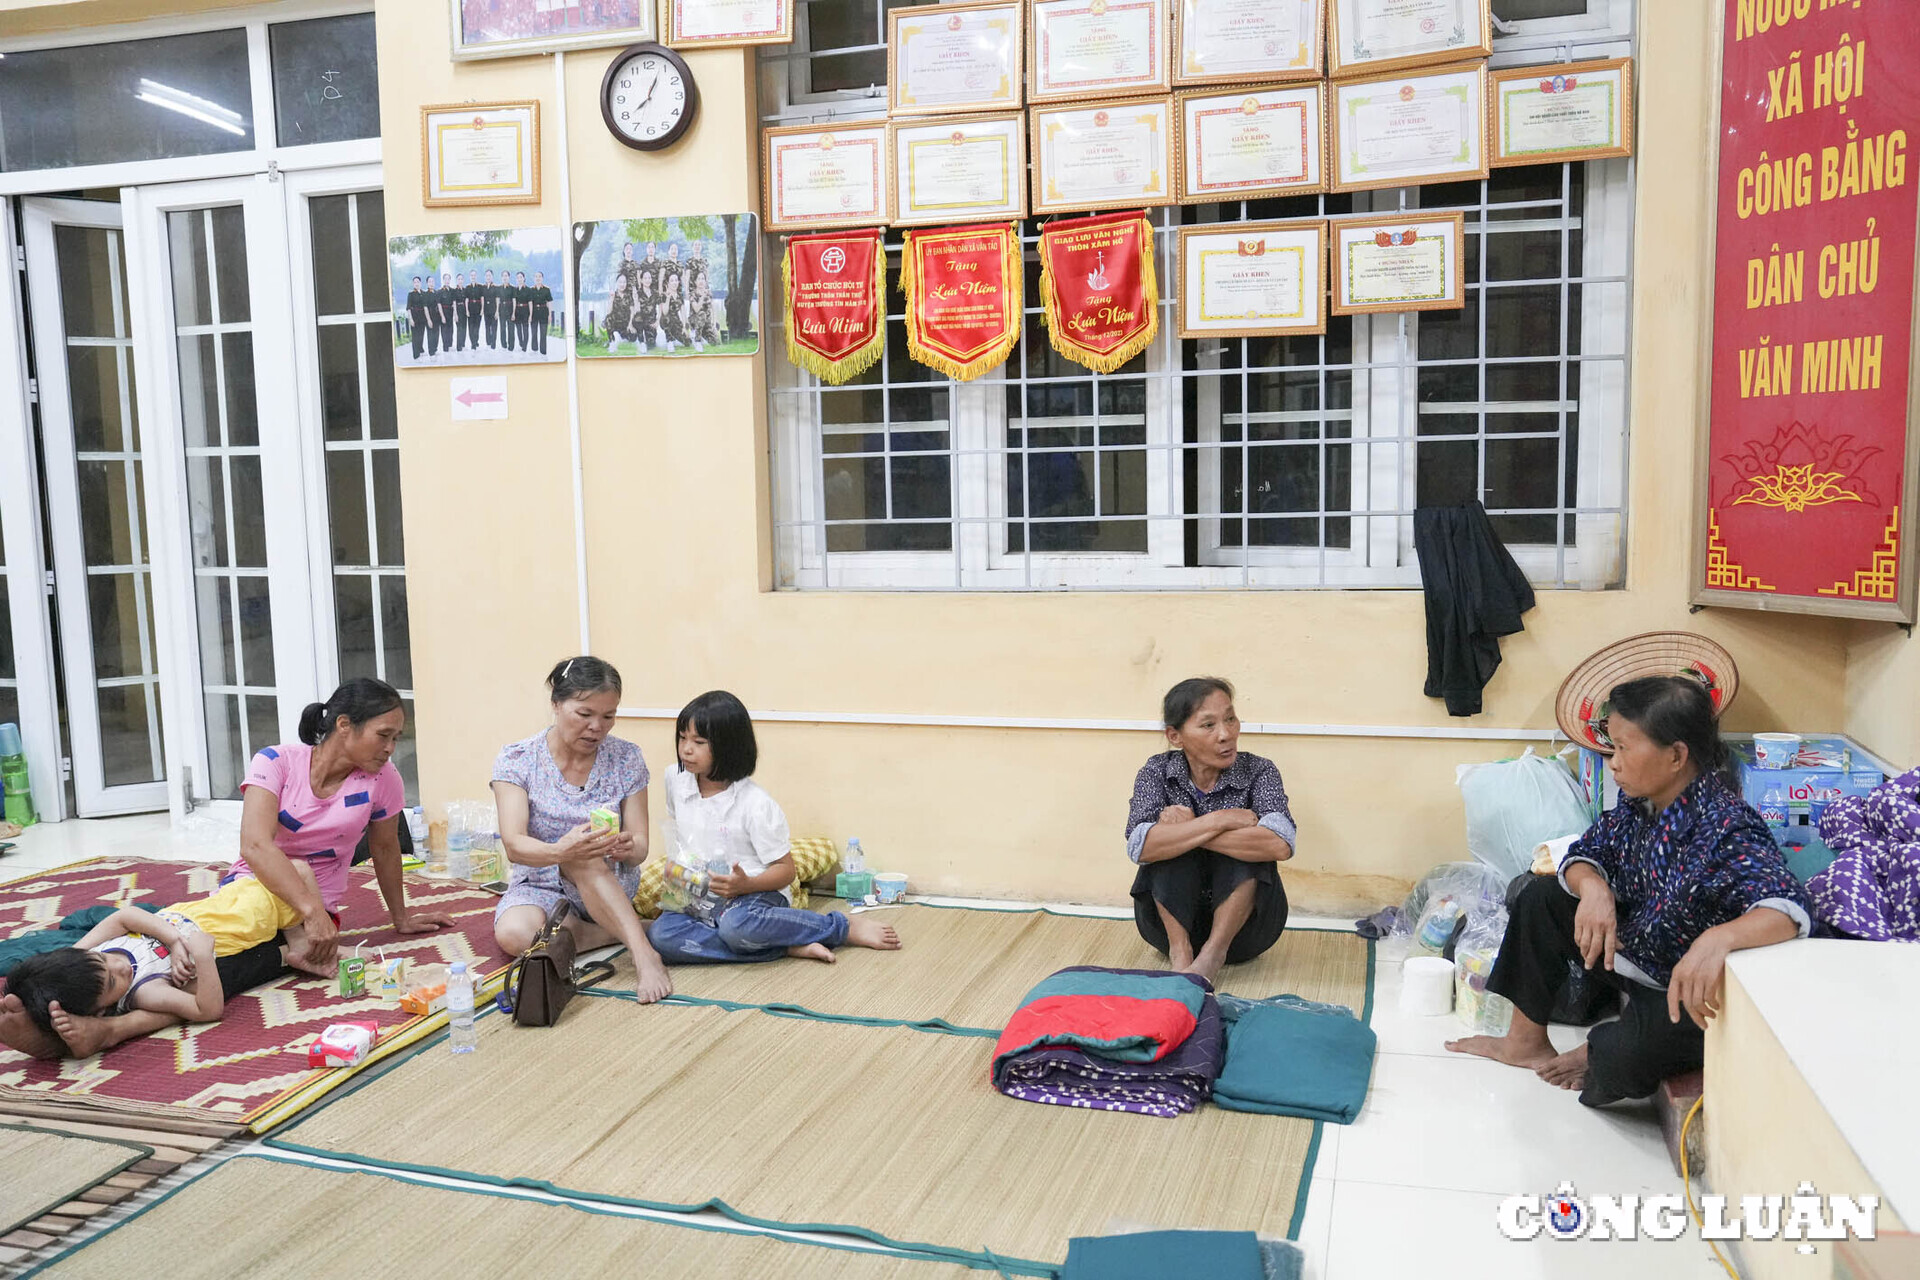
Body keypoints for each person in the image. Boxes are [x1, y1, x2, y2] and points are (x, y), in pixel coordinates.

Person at [0, 678, 455, 1059]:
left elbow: (385, 848)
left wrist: (399, 917)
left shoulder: (382, 781)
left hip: (310, 913)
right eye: (385, 735)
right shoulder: (275, 762)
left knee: (221, 970)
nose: (392, 748)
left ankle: (99, 1028)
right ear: (343, 725)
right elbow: (255, 846)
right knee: (161, 949)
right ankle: (46, 986)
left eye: (397, 737)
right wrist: (307, 909)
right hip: (253, 892)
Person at [1447, 676, 1814, 1106]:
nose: (1614, 762)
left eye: (1623, 747)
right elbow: (1585, 853)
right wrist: (1595, 890)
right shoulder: (1640, 803)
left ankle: (1602, 1048)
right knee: (1536, 895)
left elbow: (1788, 907)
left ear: (1677, 755)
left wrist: (1721, 938)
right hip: (1636, 952)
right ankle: (1523, 1043)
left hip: (1681, 987)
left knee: (1621, 1060)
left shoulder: (1727, 826)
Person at [648, 692, 901, 965]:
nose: (686, 748)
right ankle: (785, 948)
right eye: (682, 738)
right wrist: (678, 869)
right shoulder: (675, 779)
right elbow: (682, 835)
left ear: (728, 746)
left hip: (754, 898)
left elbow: (785, 870)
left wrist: (745, 885)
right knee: (662, 937)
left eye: (698, 742)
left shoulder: (755, 804)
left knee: (737, 927)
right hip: (698, 896)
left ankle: (841, 927)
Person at [491, 657, 674, 1003]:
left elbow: (640, 847)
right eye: (585, 714)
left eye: (608, 716)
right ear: (556, 705)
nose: (597, 727)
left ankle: (644, 954)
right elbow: (515, 845)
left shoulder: (626, 759)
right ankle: (618, 932)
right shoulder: (517, 760)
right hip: (539, 884)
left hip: (606, 881)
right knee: (514, 934)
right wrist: (561, 851)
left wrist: (625, 846)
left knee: (585, 855)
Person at [1125, 677, 1295, 982]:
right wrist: (1218, 820)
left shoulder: (1259, 770)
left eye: (1230, 719)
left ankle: (1213, 956)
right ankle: (1182, 954)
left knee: (1243, 852)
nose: (1226, 734)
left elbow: (1279, 844)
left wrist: (1187, 831)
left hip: (1248, 933)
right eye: (1208, 725)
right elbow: (1141, 847)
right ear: (1175, 736)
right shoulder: (1156, 771)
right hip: (1165, 931)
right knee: (1169, 850)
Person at [603, 274, 636, 354]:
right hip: (616, 322)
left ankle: (621, 337)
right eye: (620, 282)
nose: (622, 284)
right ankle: (612, 342)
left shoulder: (629, 295)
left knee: (633, 338)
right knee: (608, 319)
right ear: (617, 283)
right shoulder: (613, 294)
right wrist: (611, 299)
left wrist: (630, 324)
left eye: (624, 282)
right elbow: (608, 312)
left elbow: (632, 311)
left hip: (626, 324)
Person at [660, 274, 689, 353]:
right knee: (667, 318)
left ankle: (674, 336)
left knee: (687, 342)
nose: (674, 283)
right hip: (666, 320)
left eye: (676, 280)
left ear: (679, 282)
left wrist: (684, 327)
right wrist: (668, 298)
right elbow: (664, 312)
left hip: (676, 322)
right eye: (672, 281)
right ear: (668, 283)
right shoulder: (664, 295)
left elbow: (683, 313)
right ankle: (669, 341)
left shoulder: (680, 296)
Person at [633, 273, 660, 352]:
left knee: (651, 345)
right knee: (637, 318)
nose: (647, 280)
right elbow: (637, 311)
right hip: (641, 321)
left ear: (651, 279)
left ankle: (647, 340)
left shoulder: (655, 293)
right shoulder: (638, 293)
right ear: (641, 280)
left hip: (651, 323)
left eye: (649, 278)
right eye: (645, 278)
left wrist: (657, 321)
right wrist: (635, 299)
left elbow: (660, 308)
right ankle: (641, 341)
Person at [405, 275, 429, 361]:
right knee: (415, 336)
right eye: (414, 282)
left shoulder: (423, 293)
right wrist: (410, 319)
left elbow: (426, 306)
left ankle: (420, 349)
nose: (416, 284)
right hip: (414, 316)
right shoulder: (411, 294)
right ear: (413, 284)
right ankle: (416, 355)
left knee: (421, 334)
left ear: (420, 283)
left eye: (417, 282)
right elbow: (408, 308)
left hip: (422, 316)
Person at [530, 270, 553, 355]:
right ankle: (534, 349)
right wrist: (530, 315)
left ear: (542, 278)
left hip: (544, 312)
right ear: (534, 279)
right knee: (534, 332)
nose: (538, 278)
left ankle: (543, 351)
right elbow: (530, 303)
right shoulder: (531, 290)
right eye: (536, 277)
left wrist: (550, 315)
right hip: (534, 313)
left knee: (543, 333)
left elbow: (549, 302)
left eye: (539, 276)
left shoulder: (546, 290)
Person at [511, 270, 532, 350]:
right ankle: (521, 343)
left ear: (524, 278)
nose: (519, 279)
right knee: (518, 329)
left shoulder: (528, 290)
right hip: (517, 311)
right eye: (518, 278)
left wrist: (530, 315)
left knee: (525, 329)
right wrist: (513, 313)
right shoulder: (514, 290)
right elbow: (514, 302)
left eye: (521, 277)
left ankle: (525, 346)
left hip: (525, 310)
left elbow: (530, 303)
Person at [481, 268, 502, 349]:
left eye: (489, 275)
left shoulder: (496, 287)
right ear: (485, 277)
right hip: (486, 309)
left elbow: (498, 300)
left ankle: (493, 344)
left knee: (494, 327)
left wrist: (497, 311)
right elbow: (482, 299)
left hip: (494, 309)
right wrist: (482, 309)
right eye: (486, 275)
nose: (488, 277)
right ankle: (488, 342)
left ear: (492, 276)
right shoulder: (483, 287)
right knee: (487, 327)